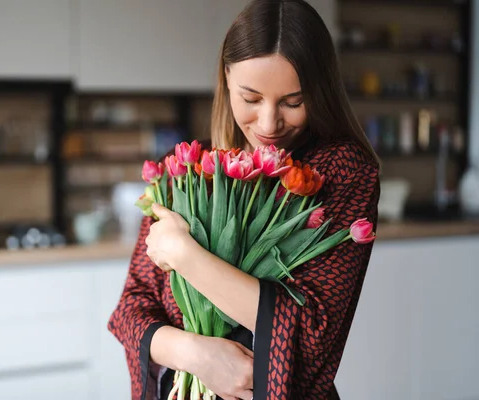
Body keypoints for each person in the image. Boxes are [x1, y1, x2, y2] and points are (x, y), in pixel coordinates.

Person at [108, 0, 381, 399]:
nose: (269, 124)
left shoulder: (339, 173)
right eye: (251, 99)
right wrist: (197, 354)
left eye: (293, 102)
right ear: (226, 78)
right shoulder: (188, 171)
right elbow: (129, 311)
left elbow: (312, 333)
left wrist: (186, 255)